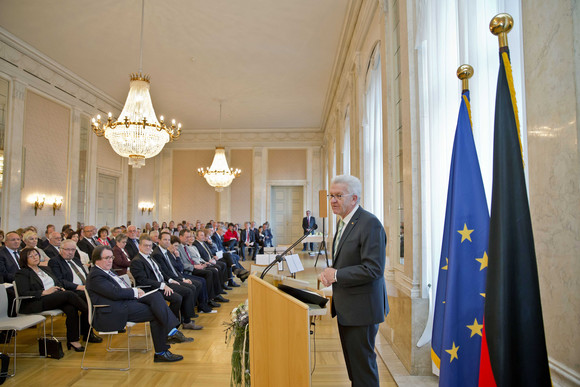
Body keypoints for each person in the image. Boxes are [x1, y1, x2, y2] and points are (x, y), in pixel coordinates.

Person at [319, 175, 388, 387]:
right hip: (348, 308)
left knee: (363, 369)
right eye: (331, 195)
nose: (332, 200)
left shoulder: (370, 224)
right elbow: (347, 261)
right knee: (355, 369)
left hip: (362, 310)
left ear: (354, 198)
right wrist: (330, 273)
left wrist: (336, 275)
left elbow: (373, 269)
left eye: (339, 196)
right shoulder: (343, 223)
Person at [87, 245, 189, 363]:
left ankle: (171, 334)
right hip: (112, 311)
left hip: (124, 302)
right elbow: (114, 293)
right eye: (107, 258)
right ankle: (164, 348)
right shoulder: (96, 275)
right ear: (96, 259)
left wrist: (135, 292)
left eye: (111, 257)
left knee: (156, 296)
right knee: (157, 312)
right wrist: (135, 291)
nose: (111, 260)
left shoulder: (106, 271)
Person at [15, 247, 88, 351]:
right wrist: (44, 292)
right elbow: (23, 292)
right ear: (24, 259)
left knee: (71, 308)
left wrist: (60, 287)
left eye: (36, 255)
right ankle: (90, 313)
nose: (34, 257)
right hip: (37, 301)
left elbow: (56, 281)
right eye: (30, 256)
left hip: (54, 297)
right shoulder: (22, 273)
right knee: (69, 294)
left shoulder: (45, 269)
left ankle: (73, 340)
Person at [48, 239, 102, 344]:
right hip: (70, 291)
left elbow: (86, 276)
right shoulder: (55, 261)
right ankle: (88, 333)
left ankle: (90, 329)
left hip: (84, 288)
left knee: (99, 295)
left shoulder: (76, 260)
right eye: (67, 249)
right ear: (60, 249)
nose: (70, 252)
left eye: (73, 249)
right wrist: (79, 287)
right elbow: (60, 281)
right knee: (89, 301)